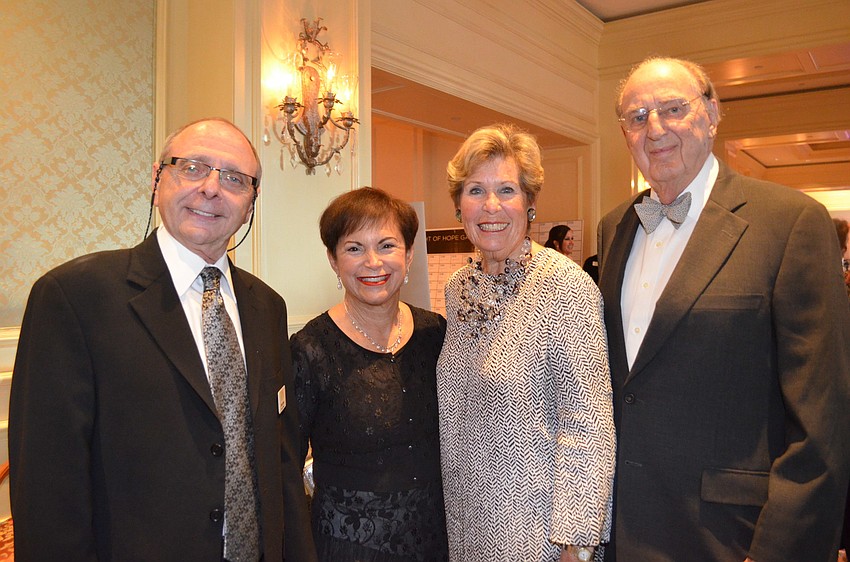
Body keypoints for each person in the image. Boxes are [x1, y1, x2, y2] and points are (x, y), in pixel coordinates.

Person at [9, 118, 317, 561]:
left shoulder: (268, 307)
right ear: (158, 180)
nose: (211, 188)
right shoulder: (75, 297)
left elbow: (280, 459)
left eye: (234, 179)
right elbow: (46, 483)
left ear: (251, 203)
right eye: (192, 167)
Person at [597, 56, 850, 562]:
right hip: (622, 530)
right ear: (624, 133)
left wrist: (781, 550)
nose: (656, 129)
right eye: (637, 116)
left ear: (712, 113)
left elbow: (823, 421)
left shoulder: (791, 222)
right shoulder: (615, 227)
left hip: (732, 537)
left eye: (673, 108)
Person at [439, 123, 616, 562]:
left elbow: (588, 425)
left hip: (536, 536)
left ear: (530, 203)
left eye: (507, 190)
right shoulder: (459, 287)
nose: (491, 206)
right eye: (476, 191)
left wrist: (575, 546)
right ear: (459, 206)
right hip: (466, 528)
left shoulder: (564, 286)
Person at [291, 187, 449, 561]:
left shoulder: (436, 334)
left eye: (387, 245)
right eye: (354, 248)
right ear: (333, 259)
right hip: (348, 546)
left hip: (437, 540)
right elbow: (285, 463)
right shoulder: (310, 349)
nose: (373, 262)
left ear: (409, 255)